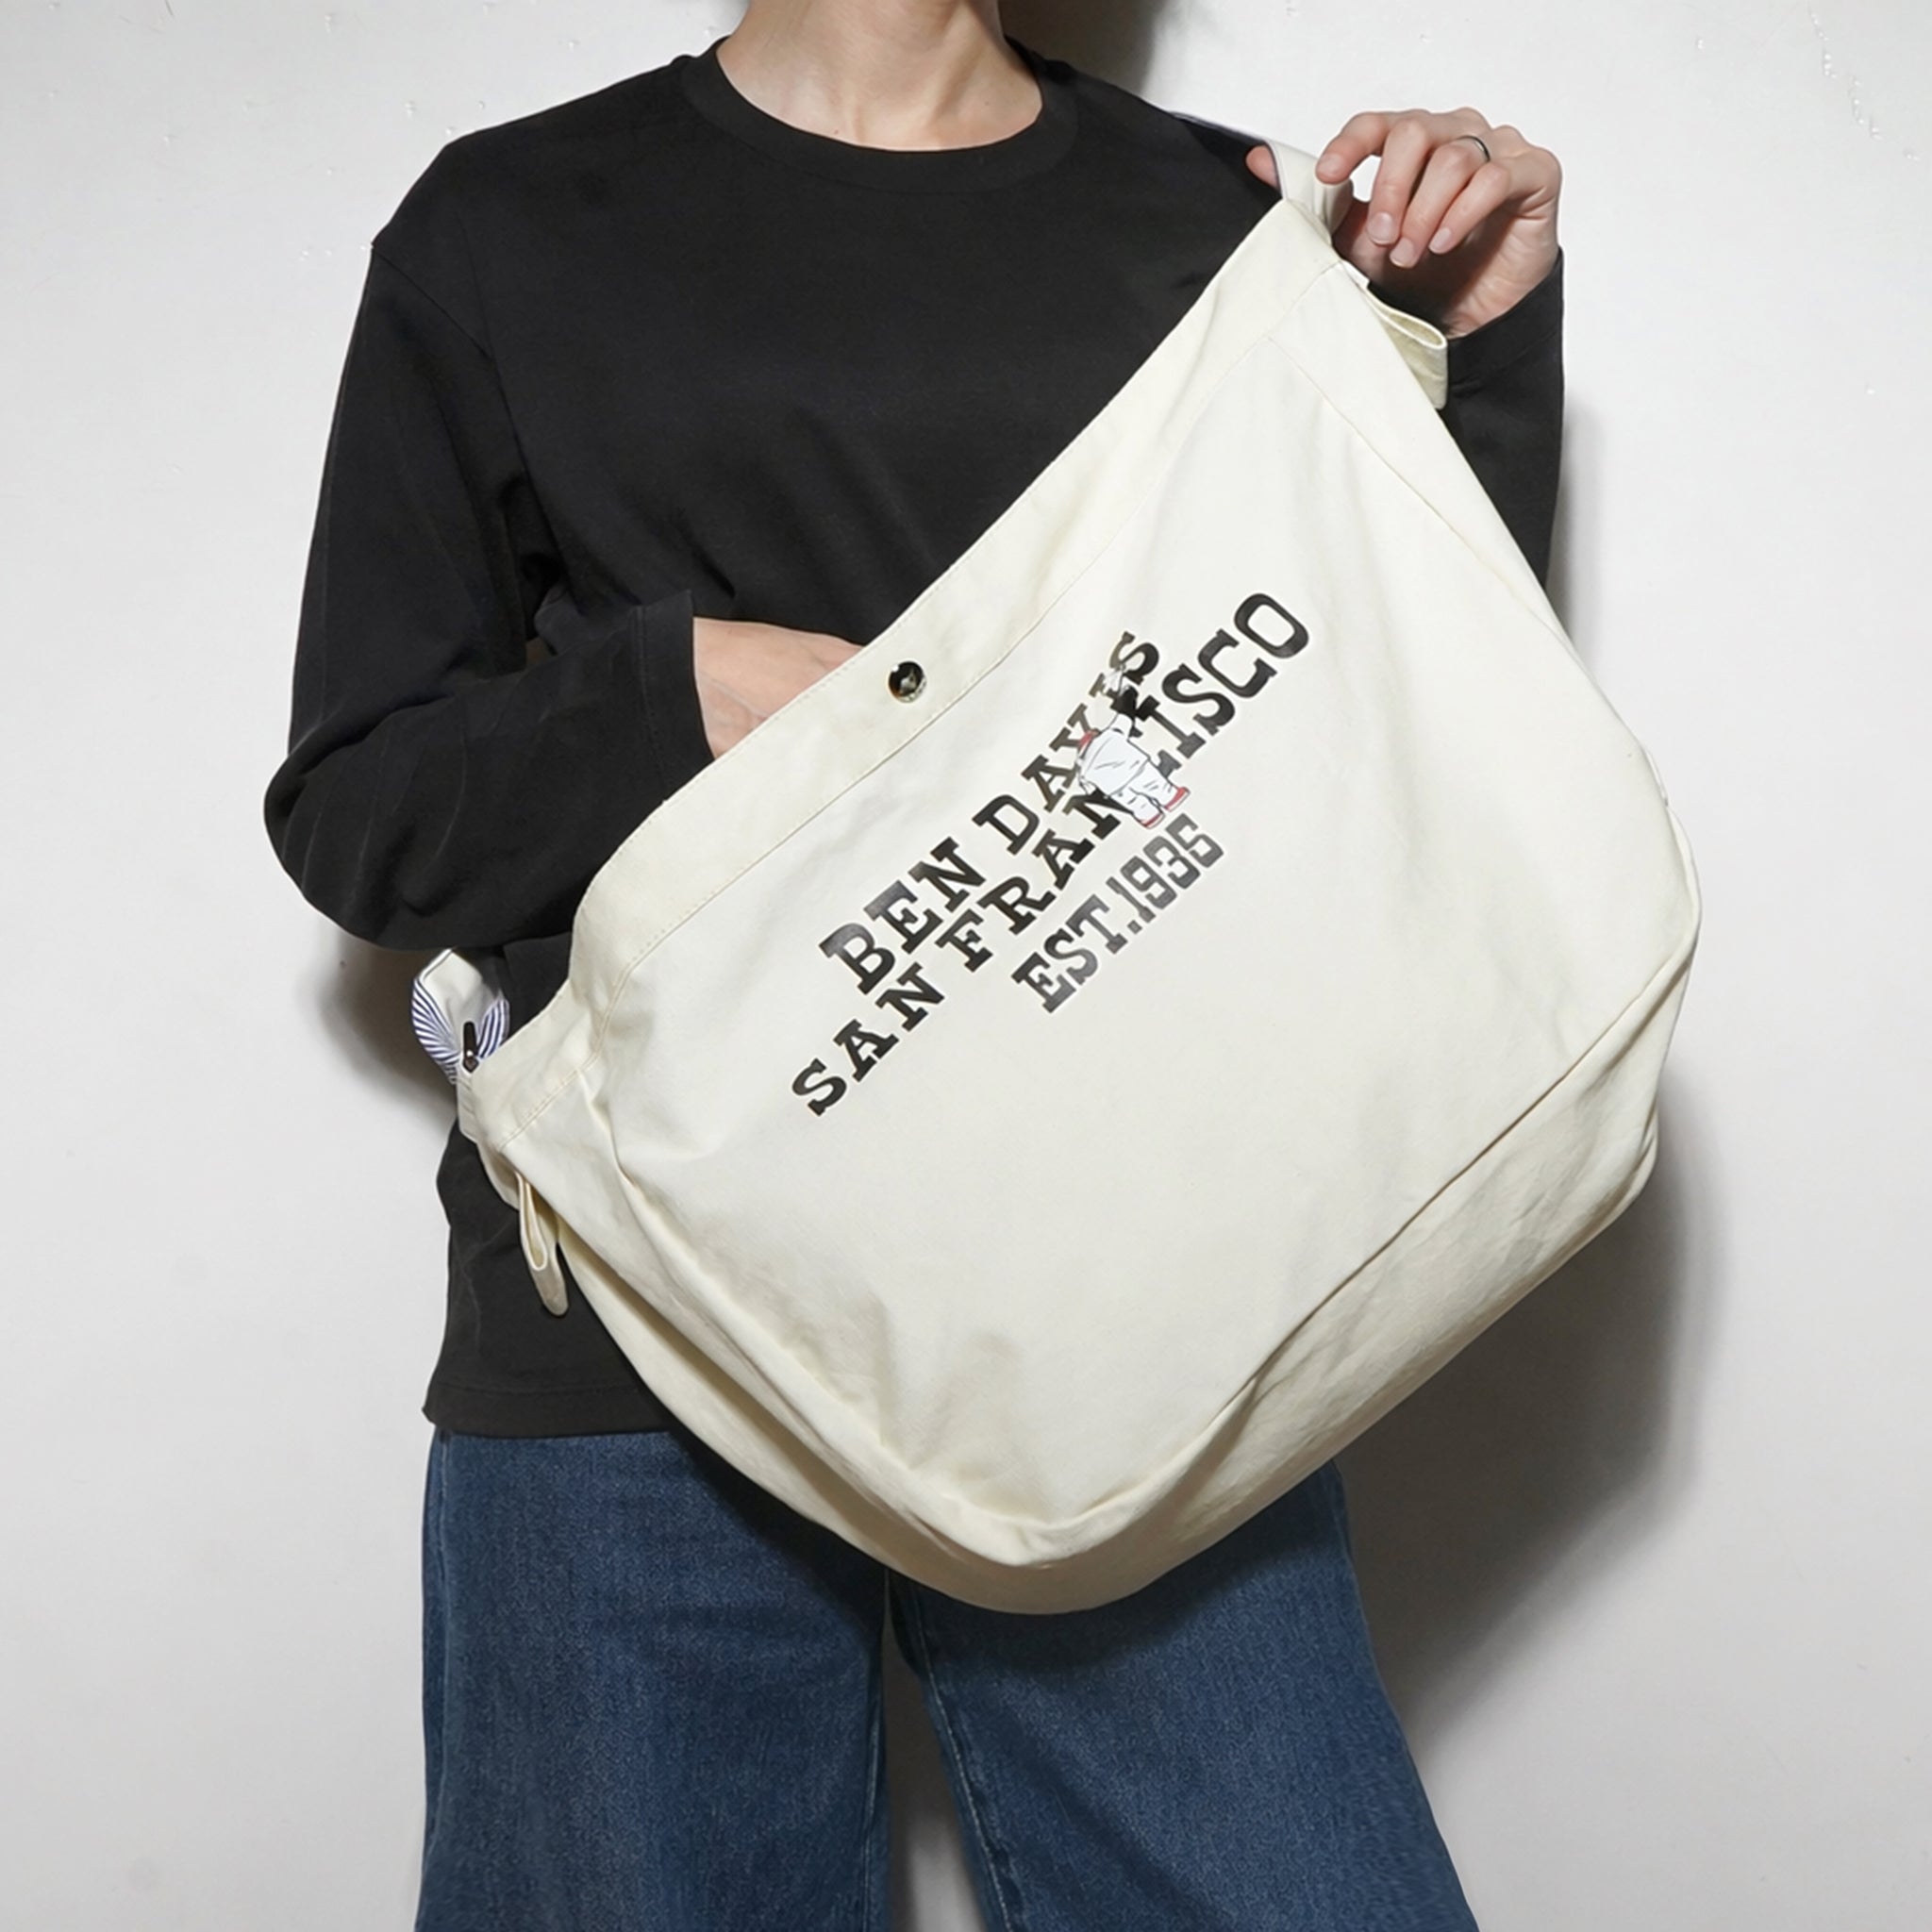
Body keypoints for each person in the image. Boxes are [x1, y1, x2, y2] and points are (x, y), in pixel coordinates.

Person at [264, 3, 1564, 1924]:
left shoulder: (1210, 220)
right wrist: (681, 691)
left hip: (1129, 1294)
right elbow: (362, 811)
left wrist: (1478, 341)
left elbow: (1407, 737)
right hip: (639, 1306)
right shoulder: (511, 223)